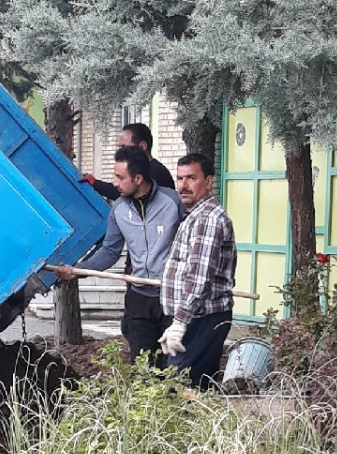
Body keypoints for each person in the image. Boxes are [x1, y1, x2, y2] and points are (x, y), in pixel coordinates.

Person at [54, 145, 185, 363]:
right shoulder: (119, 210)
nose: (114, 183)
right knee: (141, 365)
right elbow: (109, 251)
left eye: (119, 177)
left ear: (138, 178)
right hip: (139, 297)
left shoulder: (173, 202)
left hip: (172, 297)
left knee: (173, 365)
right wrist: (77, 271)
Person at [158, 153, 236, 388]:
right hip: (195, 317)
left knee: (179, 388)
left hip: (201, 319)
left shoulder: (207, 220)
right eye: (180, 178)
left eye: (191, 178)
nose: (183, 185)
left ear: (209, 181)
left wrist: (180, 323)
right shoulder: (196, 216)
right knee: (194, 387)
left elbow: (199, 277)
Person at [81, 122, 175, 201]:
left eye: (124, 147)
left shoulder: (156, 173)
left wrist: (96, 184)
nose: (121, 152)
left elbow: (123, 193)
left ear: (143, 146)